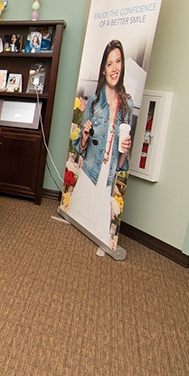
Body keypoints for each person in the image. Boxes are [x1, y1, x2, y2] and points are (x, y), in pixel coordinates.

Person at [68, 39, 133, 244]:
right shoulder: (94, 102)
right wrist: (85, 136)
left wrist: (125, 149)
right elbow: (79, 149)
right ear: (103, 70)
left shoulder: (127, 105)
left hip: (108, 178)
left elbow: (121, 164)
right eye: (109, 63)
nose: (114, 68)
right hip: (89, 173)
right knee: (78, 219)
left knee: (102, 232)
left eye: (118, 62)